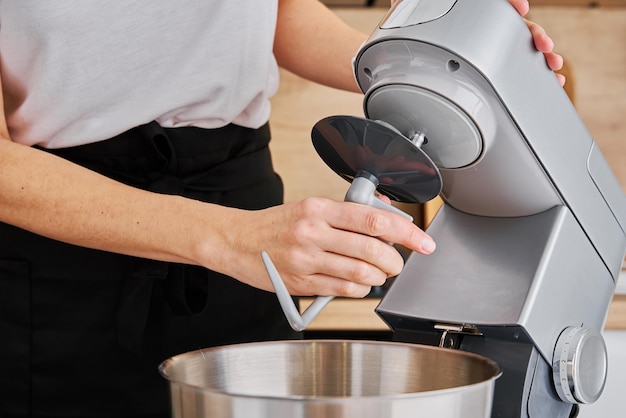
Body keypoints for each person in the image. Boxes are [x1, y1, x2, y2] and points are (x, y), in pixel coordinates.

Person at [0, 0, 563, 417]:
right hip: (68, 240)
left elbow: (274, 12)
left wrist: (423, 66)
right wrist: (230, 239)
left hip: (242, 208)